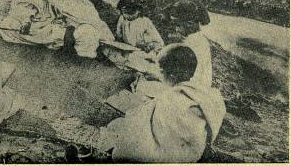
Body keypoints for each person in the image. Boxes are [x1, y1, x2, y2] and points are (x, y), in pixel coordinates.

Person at [95, 44, 226, 163]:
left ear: (167, 73)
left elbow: (154, 126)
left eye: (160, 71)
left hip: (180, 154)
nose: (158, 74)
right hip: (197, 147)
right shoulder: (200, 91)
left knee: (120, 138)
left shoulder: (170, 99)